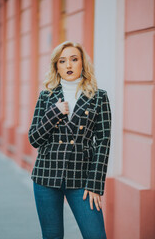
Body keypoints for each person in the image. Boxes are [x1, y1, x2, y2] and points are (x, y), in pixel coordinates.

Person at [28, 41, 111, 239]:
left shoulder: (98, 97)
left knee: (96, 235)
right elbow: (34, 139)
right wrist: (54, 113)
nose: (69, 65)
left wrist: (95, 183)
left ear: (82, 63)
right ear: (56, 66)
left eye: (74, 59)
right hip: (46, 177)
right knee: (52, 236)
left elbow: (103, 142)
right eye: (62, 61)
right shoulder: (46, 96)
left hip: (82, 179)